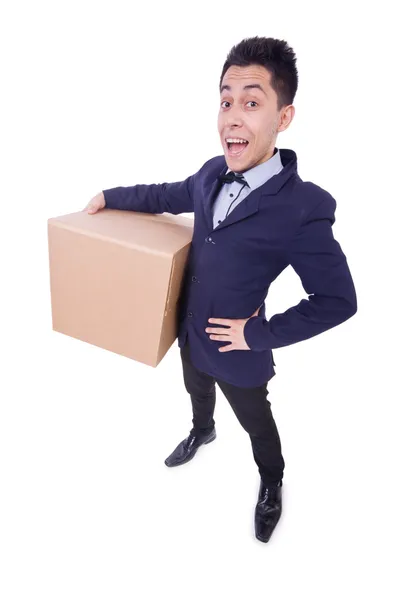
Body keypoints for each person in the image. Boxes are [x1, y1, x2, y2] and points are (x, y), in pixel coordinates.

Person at [83, 36, 357, 543]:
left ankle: (272, 481)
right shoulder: (212, 173)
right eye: (226, 100)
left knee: (258, 423)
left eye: (252, 102)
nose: (232, 116)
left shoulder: (303, 207)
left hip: (239, 352)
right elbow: (165, 194)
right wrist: (109, 196)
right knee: (195, 391)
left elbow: (339, 301)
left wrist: (258, 335)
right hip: (190, 333)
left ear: (285, 117)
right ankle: (202, 430)